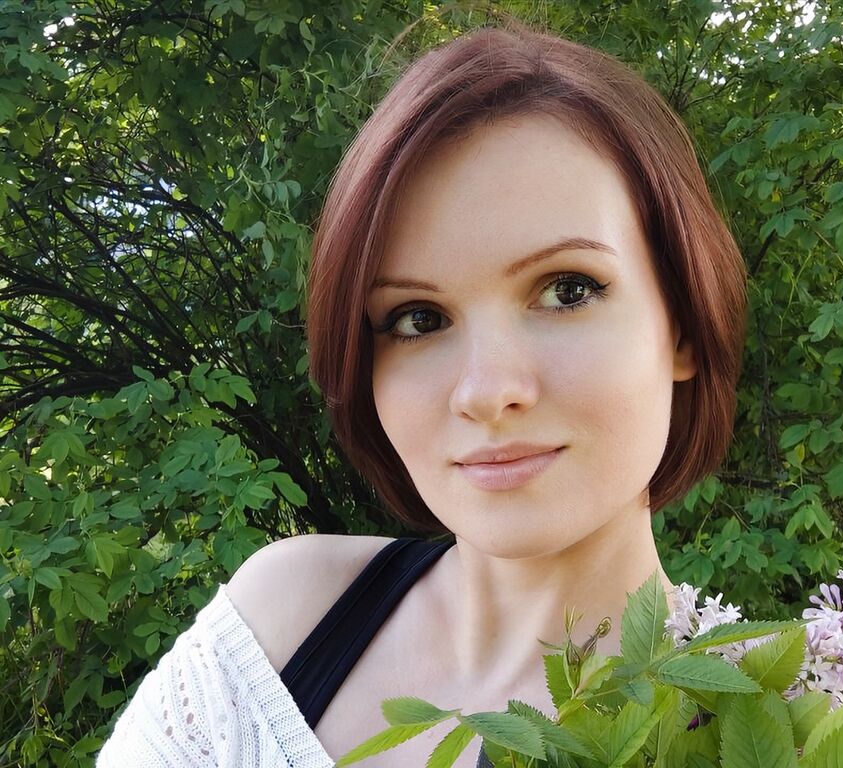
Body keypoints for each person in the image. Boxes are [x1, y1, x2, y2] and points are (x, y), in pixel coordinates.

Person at [97, 18, 746, 768]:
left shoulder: (772, 716)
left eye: (568, 290)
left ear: (682, 325)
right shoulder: (281, 629)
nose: (487, 392)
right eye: (418, 318)